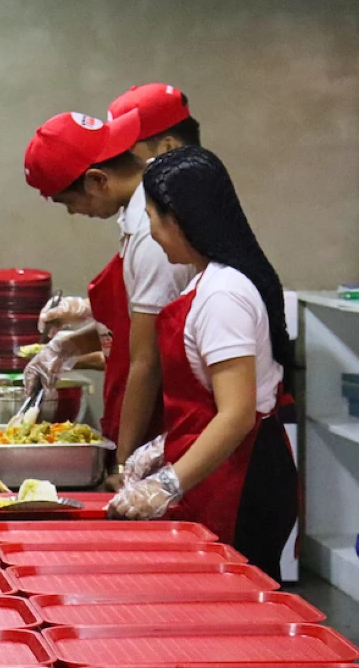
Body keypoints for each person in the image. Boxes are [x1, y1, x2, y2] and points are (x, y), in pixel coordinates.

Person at [107, 146, 298, 583]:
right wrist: (156, 452)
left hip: (243, 476)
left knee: (241, 607)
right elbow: (207, 398)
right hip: (221, 465)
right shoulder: (208, 279)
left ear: (177, 218)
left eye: (152, 217)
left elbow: (235, 415)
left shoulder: (222, 296)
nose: (151, 232)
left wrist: (166, 485)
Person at [22, 107, 195, 485]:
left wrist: (123, 462)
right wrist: (67, 345)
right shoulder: (135, 216)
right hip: (154, 419)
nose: (72, 213)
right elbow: (130, 325)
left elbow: (147, 360)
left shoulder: (153, 234)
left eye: (69, 202)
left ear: (98, 180)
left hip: (172, 422)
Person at [35, 83, 201, 339]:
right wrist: (78, 332)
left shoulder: (157, 228)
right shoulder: (138, 214)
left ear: (167, 148)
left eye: (128, 147)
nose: (123, 156)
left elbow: (149, 358)